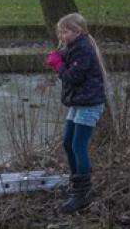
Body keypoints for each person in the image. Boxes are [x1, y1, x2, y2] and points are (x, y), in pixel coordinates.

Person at [45, 13, 108, 215]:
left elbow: (74, 77)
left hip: (90, 104)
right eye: (60, 32)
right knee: (67, 143)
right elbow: (66, 56)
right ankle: (75, 184)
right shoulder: (74, 47)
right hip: (79, 103)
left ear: (78, 31)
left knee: (78, 145)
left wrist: (58, 65)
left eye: (65, 32)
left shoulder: (84, 49)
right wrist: (58, 57)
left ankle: (82, 194)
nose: (61, 36)